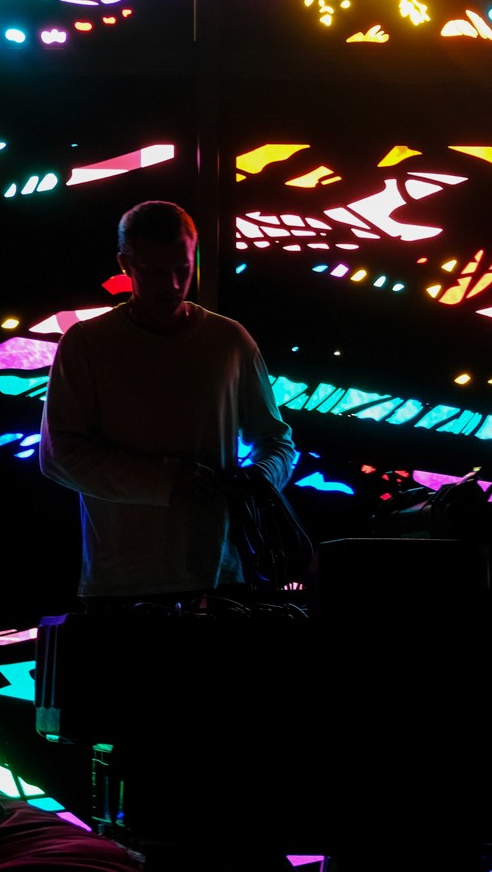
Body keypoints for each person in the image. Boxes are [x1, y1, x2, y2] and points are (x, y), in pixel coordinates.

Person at [38, 200, 298, 611]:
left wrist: (258, 480)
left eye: (182, 269)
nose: (174, 285)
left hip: (215, 576)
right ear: (125, 264)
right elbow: (58, 457)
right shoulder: (87, 345)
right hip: (126, 584)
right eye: (155, 272)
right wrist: (171, 479)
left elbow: (276, 441)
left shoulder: (229, 341)